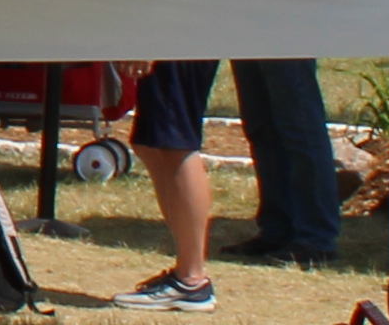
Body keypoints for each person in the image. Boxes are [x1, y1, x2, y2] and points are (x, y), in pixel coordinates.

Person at [118, 58, 225, 311]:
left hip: (177, 41)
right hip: (174, 38)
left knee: (174, 143)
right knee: (151, 145)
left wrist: (152, 45)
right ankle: (187, 274)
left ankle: (191, 279)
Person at [229, 58, 351, 269]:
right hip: (247, 30)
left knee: (299, 125)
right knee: (262, 127)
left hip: (287, 31)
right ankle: (277, 229)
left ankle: (316, 237)